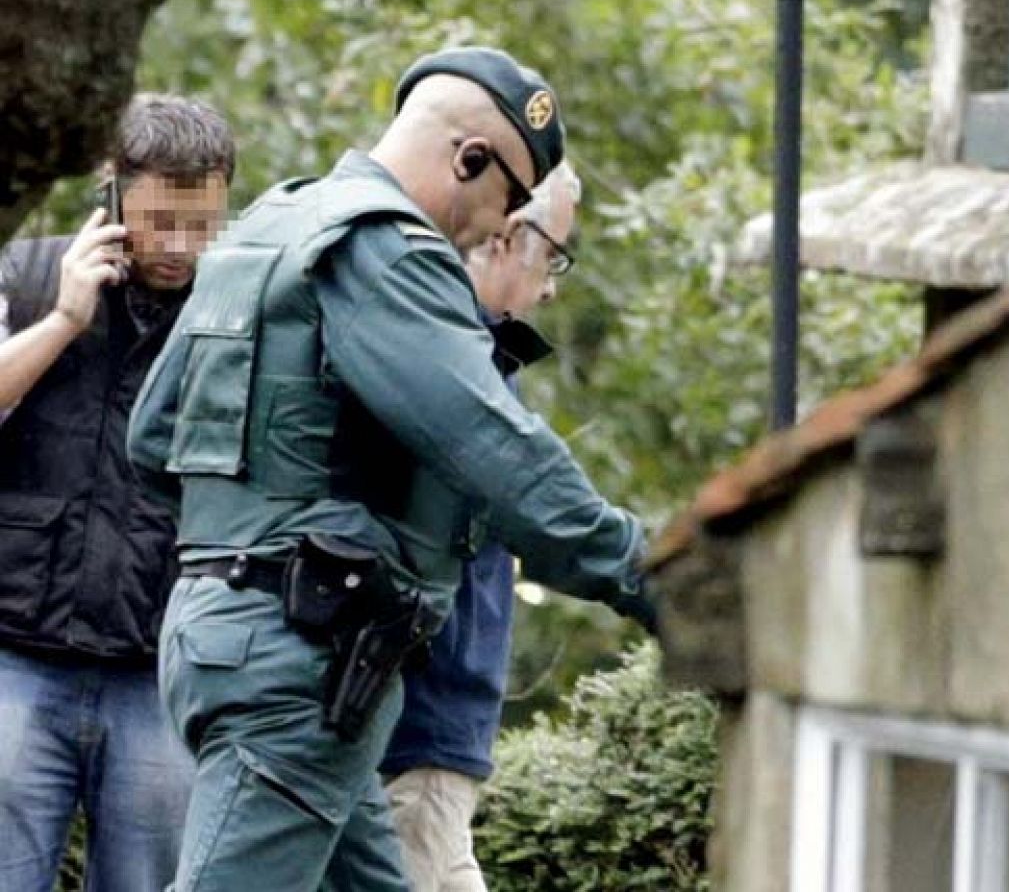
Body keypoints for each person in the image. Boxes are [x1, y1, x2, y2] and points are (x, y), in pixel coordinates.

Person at [128, 47, 654, 892]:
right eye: (509, 201)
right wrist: (655, 573)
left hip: (226, 632)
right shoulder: (393, 252)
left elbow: (153, 438)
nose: (498, 228)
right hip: (300, 659)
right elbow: (498, 453)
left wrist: (258, 526)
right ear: (468, 159)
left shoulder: (276, 222)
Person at [0, 94, 234, 892]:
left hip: (160, 671)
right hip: (14, 656)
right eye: (159, 218)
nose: (179, 246)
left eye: (202, 224)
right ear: (110, 189)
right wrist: (65, 318)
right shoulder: (25, 271)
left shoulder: (235, 313)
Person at [382, 161, 581, 892]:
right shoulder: (447, 363)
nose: (552, 284)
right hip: (419, 724)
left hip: (446, 729)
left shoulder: (485, 358)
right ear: (505, 238)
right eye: (553, 254)